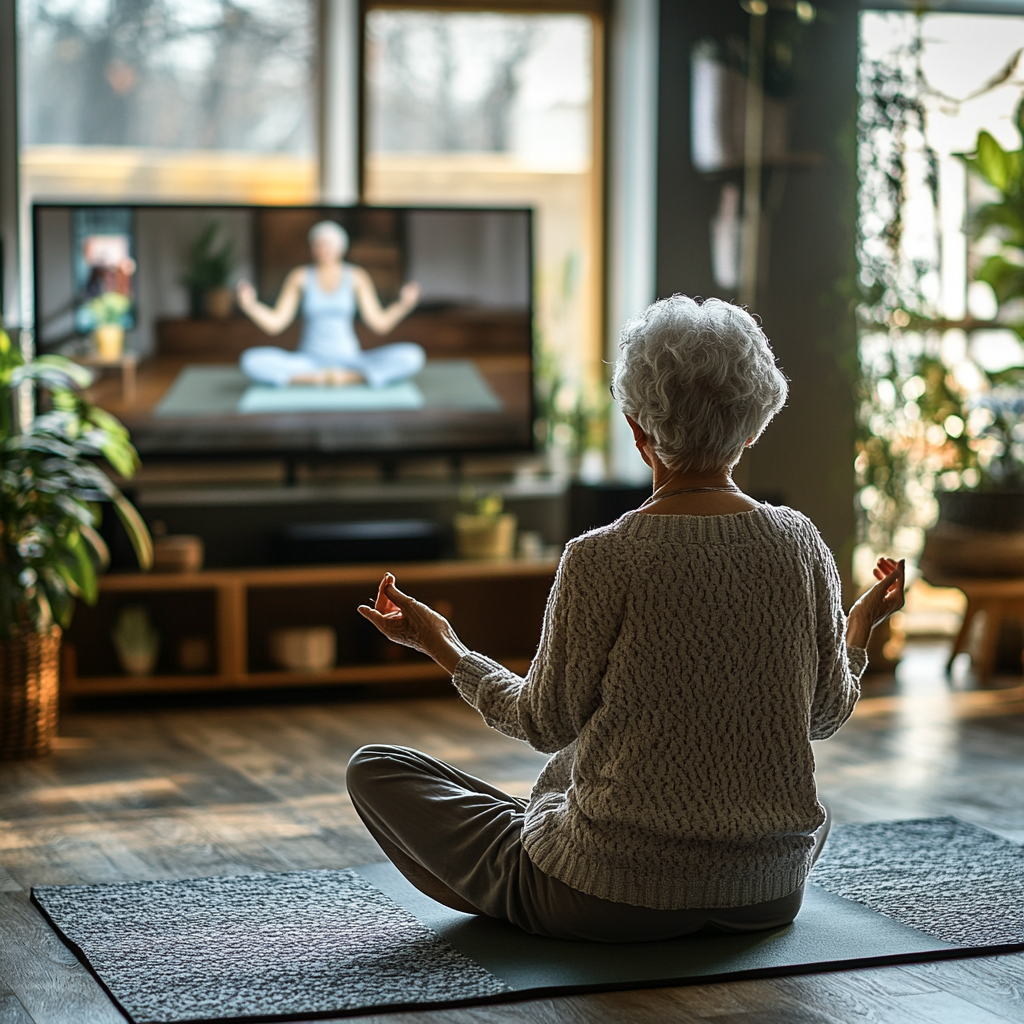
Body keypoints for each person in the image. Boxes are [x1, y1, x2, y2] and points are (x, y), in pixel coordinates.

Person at [348, 295, 905, 942]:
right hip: (767, 893)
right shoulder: (801, 542)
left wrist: (444, 646)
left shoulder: (602, 557)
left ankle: (522, 895)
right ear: (754, 425)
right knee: (784, 794)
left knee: (375, 768)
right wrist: (858, 625)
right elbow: (825, 715)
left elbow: (544, 722)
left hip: (609, 896)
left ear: (638, 428)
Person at [236, 220, 425, 388]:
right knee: (250, 361)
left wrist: (404, 304)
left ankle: (349, 379)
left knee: (412, 356)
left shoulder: (356, 276)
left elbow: (379, 323)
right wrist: (250, 305)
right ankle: (314, 379)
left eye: (329, 244)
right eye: (319, 244)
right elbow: (275, 323)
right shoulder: (300, 277)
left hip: (351, 360)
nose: (323, 249)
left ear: (341, 248)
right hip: (308, 362)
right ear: (312, 248)